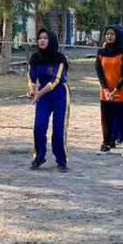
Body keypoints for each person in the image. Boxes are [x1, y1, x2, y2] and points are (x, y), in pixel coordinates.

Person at [27, 28, 70, 171]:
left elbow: (55, 81)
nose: (42, 40)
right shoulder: (35, 59)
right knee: (39, 127)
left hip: (59, 95)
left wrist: (39, 94)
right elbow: (32, 78)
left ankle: (61, 160)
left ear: (51, 40)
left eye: (45, 38)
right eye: (40, 38)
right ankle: (39, 157)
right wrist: (32, 90)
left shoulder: (60, 59)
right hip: (43, 97)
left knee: (58, 129)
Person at [95, 26, 123, 156]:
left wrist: (115, 90)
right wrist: (105, 89)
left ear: (117, 36)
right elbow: (99, 72)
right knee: (106, 118)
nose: (109, 36)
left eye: (112, 34)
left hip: (122, 90)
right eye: (107, 34)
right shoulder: (101, 53)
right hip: (106, 91)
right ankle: (107, 143)